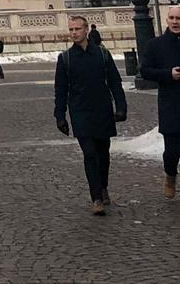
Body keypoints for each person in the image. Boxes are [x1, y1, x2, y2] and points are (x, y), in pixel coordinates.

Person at [54, 13, 127, 216]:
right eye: (71, 30)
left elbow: (114, 82)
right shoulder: (65, 58)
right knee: (90, 154)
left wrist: (121, 107)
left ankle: (103, 186)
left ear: (86, 30)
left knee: (103, 154)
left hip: (102, 110)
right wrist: (59, 115)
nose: (74, 33)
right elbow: (60, 89)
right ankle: (96, 197)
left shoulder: (102, 54)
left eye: (77, 29)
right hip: (80, 112)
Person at [140, 5, 180, 200]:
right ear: (166, 21)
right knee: (173, 151)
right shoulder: (155, 45)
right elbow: (145, 70)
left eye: (178, 18)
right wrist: (167, 74)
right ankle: (170, 175)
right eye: (171, 18)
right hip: (171, 106)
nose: (174, 21)